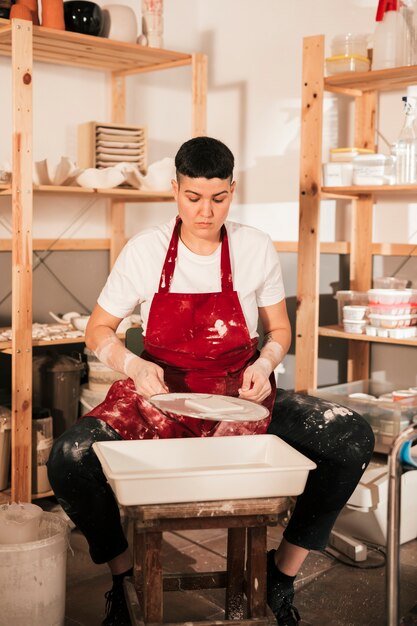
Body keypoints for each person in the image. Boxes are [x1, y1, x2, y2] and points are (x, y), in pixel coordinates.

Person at [47, 136, 374, 626]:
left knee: (350, 435)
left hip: (236, 397)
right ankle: (124, 578)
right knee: (68, 459)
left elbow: (279, 330)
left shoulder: (254, 246)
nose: (206, 212)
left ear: (232, 191)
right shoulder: (145, 250)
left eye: (218, 198)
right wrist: (132, 365)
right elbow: (98, 329)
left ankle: (281, 576)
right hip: (158, 396)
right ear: (175, 191)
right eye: (193, 198)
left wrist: (265, 365)